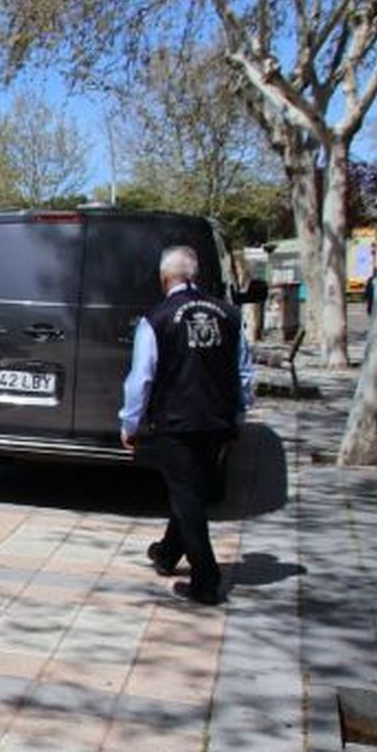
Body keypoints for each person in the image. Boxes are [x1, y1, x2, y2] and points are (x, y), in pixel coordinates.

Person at [119, 245, 255, 605]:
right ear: (195, 276)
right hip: (215, 420)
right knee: (190, 490)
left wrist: (129, 423)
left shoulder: (156, 318)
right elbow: (243, 373)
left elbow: (141, 378)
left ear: (165, 279)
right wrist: (239, 416)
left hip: (175, 422)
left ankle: (205, 580)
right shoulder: (229, 314)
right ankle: (167, 553)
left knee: (186, 495)